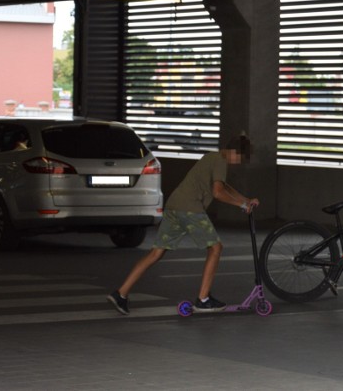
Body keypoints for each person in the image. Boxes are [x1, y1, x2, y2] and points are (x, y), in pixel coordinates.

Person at [107, 134, 259, 315]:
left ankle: (121, 293)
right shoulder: (220, 160)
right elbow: (218, 193)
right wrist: (242, 205)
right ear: (234, 152)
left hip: (174, 206)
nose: (237, 162)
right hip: (189, 208)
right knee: (216, 248)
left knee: (156, 252)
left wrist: (246, 200)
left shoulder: (211, 157)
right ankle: (203, 299)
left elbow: (224, 188)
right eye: (239, 158)